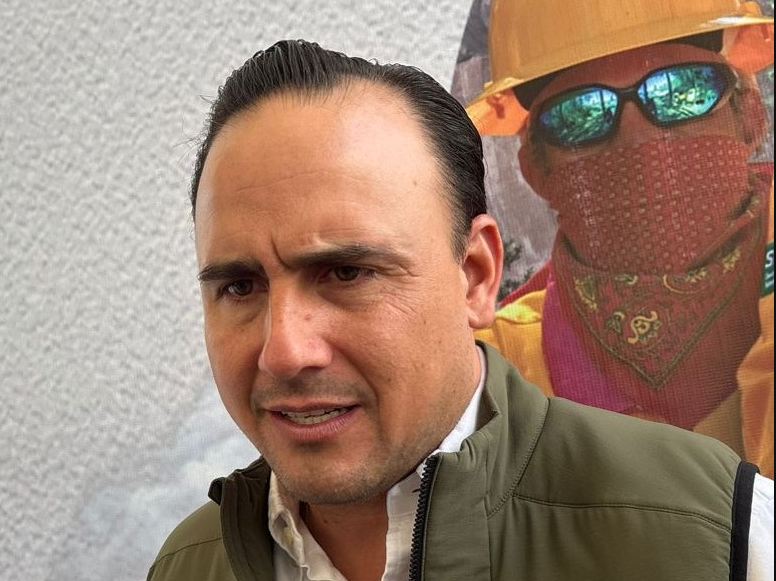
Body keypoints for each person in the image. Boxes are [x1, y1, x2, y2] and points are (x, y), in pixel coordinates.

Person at [147, 40, 773, 581]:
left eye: (347, 273)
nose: (285, 350)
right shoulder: (191, 563)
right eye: (240, 287)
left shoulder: (719, 536)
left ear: (475, 276)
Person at [468, 0, 775, 477]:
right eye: (580, 113)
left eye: (683, 90)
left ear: (751, 117)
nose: (638, 137)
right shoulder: (491, 376)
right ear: (535, 170)